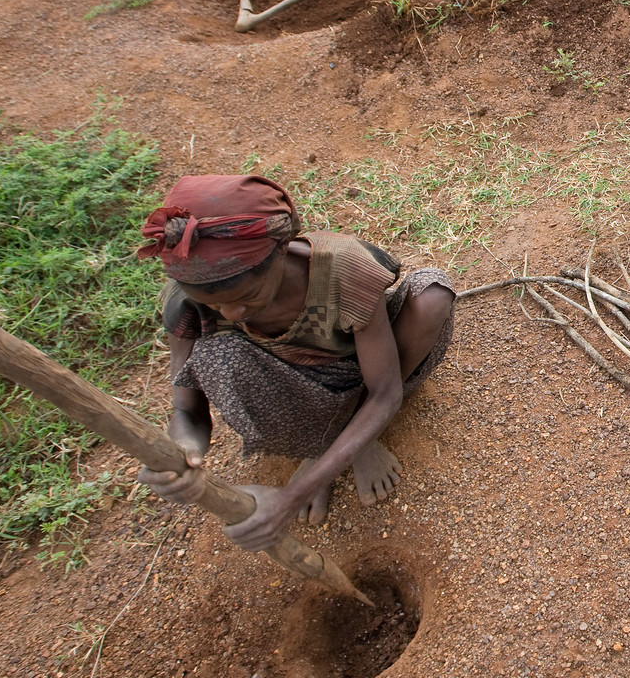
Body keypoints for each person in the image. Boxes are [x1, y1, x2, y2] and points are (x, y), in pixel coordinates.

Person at [132, 175, 454, 545]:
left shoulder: (343, 270)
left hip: (367, 374)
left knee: (432, 295)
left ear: (282, 249)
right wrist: (184, 452)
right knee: (217, 355)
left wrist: (292, 496)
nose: (232, 313)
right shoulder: (188, 306)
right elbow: (186, 411)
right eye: (214, 304)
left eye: (248, 296)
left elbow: (385, 392)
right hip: (295, 396)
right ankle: (320, 449)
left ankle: (358, 442)